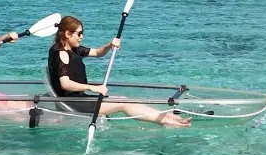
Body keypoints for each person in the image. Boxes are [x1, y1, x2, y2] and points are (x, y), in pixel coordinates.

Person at [47, 15, 191, 128]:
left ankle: (168, 118)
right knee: (124, 103)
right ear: (67, 33)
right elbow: (65, 84)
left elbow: (97, 52)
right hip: (73, 103)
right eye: (79, 33)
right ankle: (167, 122)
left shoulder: (72, 49)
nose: (81, 36)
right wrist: (93, 87)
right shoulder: (61, 54)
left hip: (81, 99)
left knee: (123, 98)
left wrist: (110, 45)